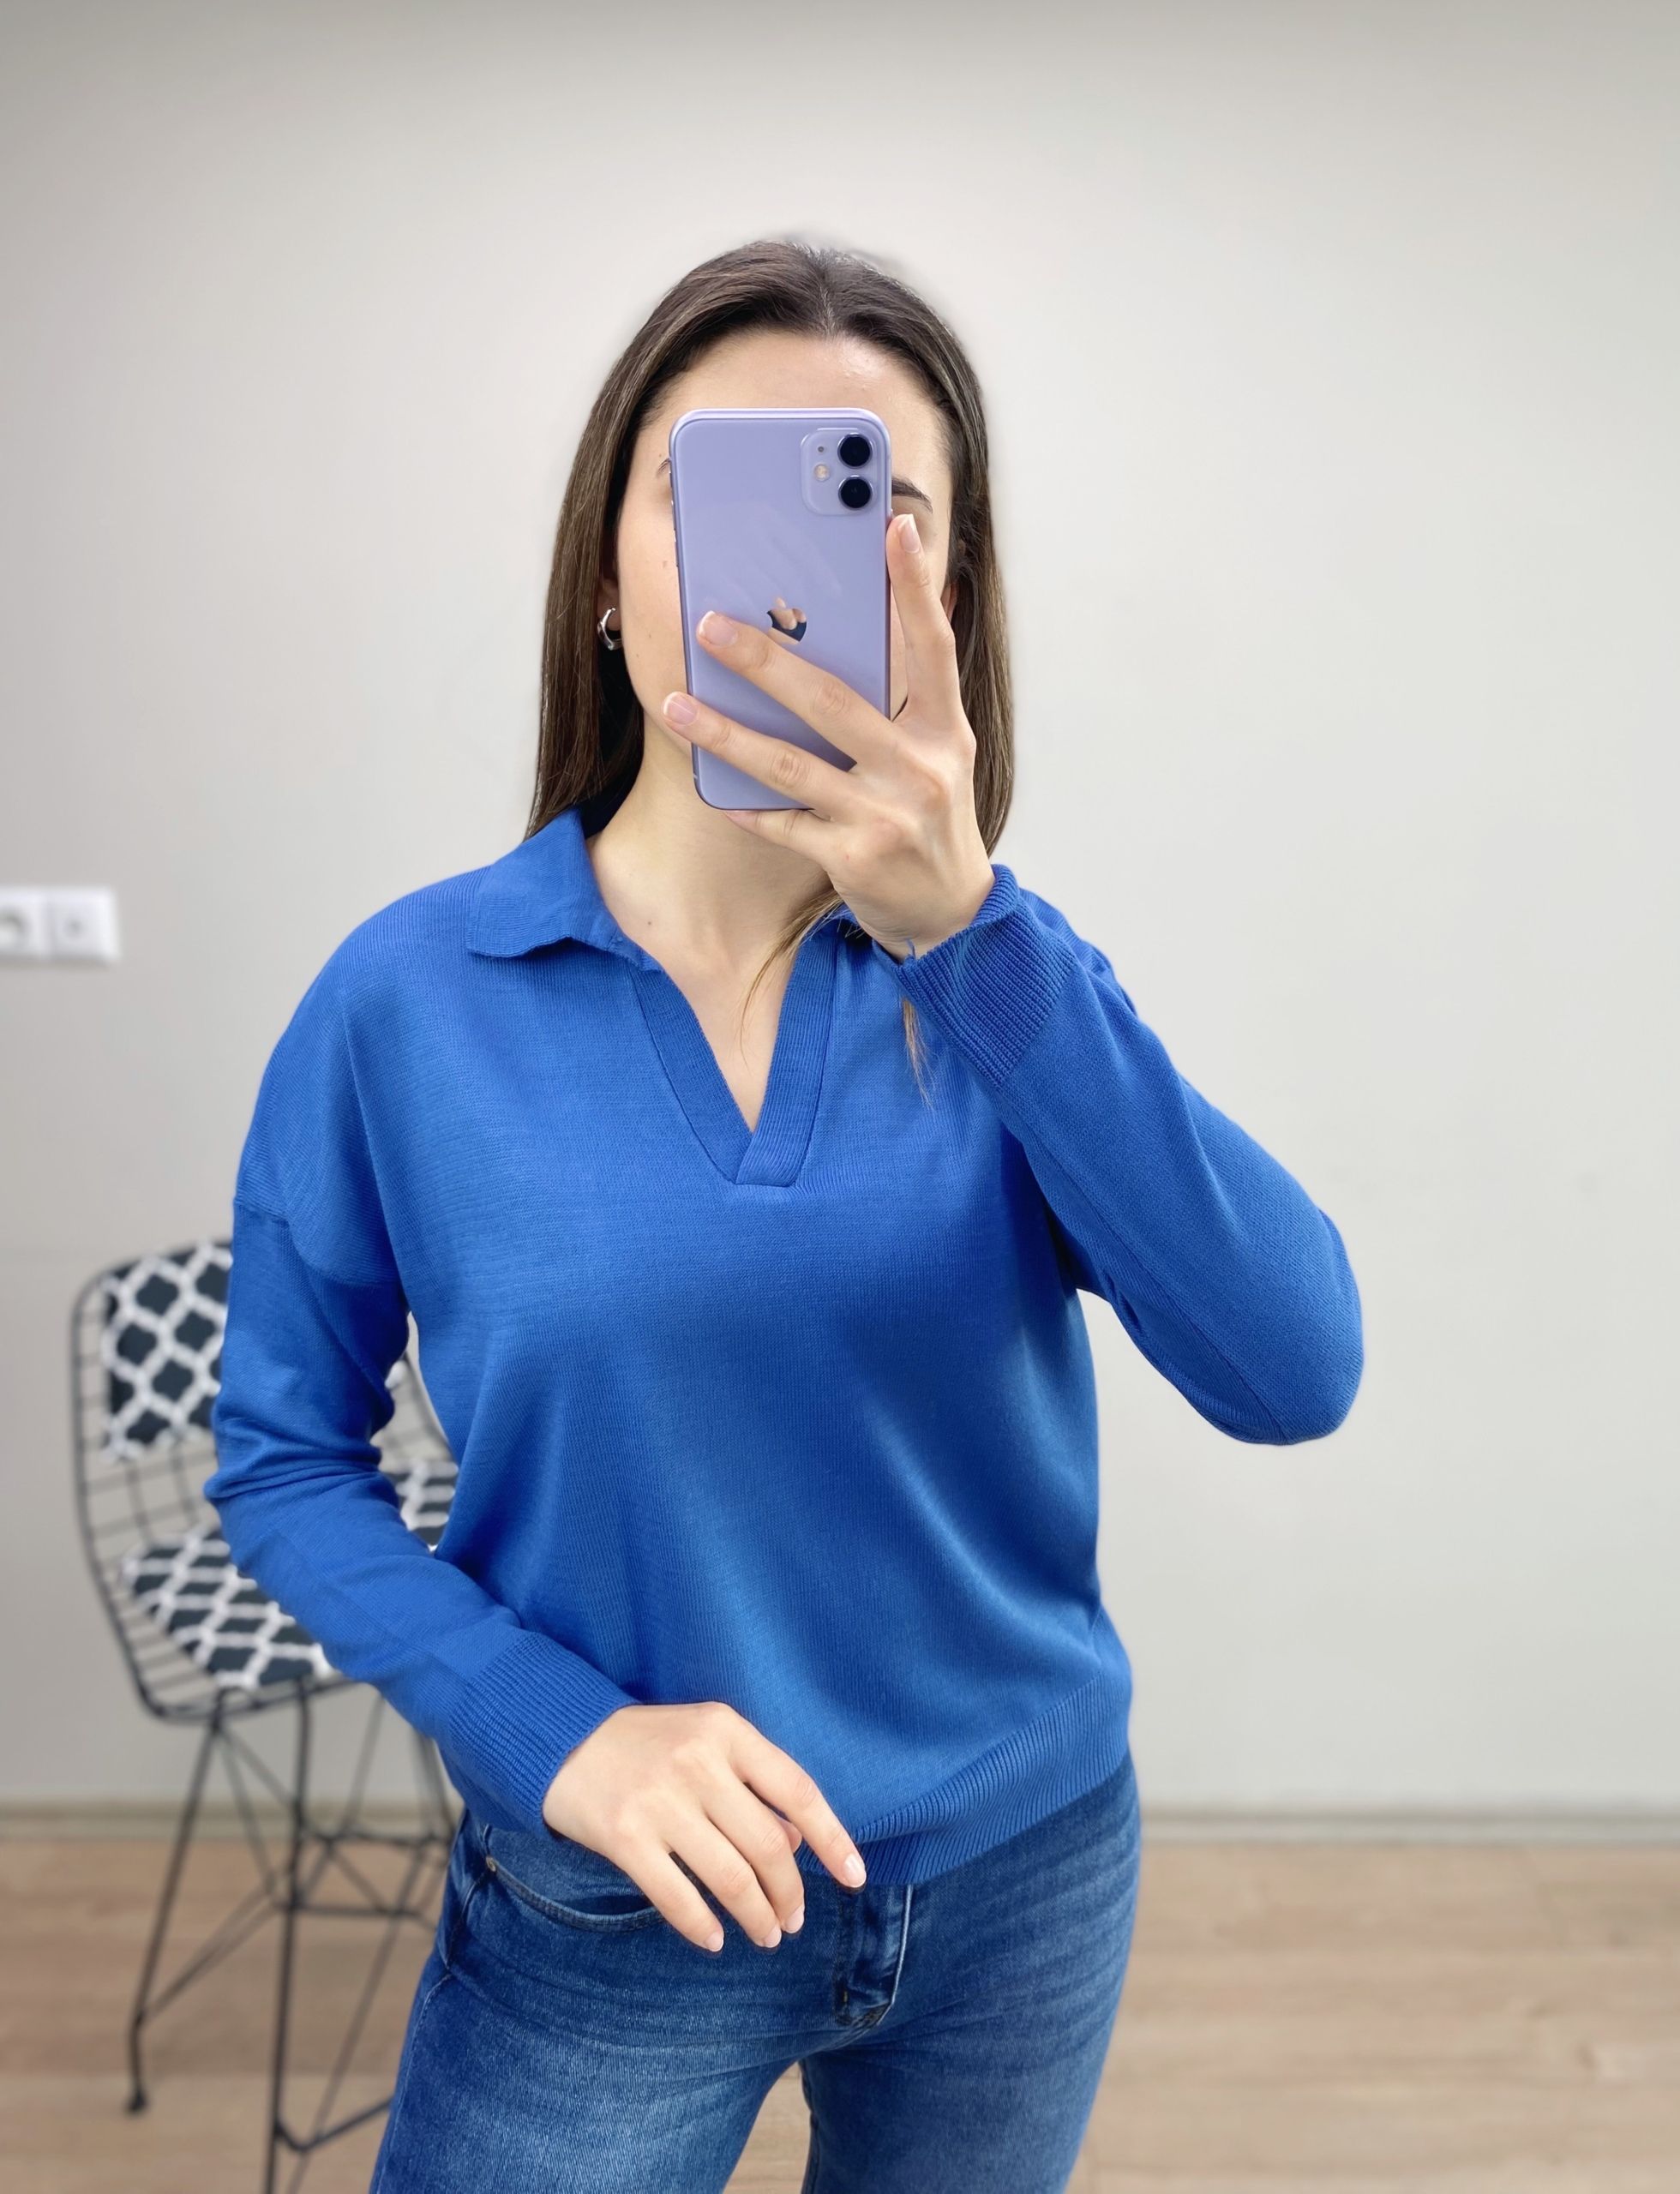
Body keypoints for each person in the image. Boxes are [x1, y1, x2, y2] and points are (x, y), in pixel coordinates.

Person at [206, 235, 1364, 2194]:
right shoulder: (405, 1003)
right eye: (710, 486)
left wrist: (972, 936)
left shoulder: (1009, 986)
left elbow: (1295, 1366)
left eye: (869, 498)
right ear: (604, 575)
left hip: (1022, 1879)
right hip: (613, 1905)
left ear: (943, 593)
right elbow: (282, 1458)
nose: (783, 563)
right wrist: (554, 1732)